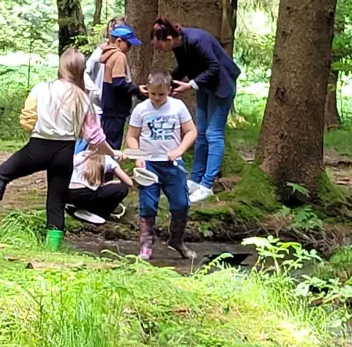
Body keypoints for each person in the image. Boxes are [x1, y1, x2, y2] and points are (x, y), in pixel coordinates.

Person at [0, 48, 117, 250]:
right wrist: (112, 153)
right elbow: (95, 137)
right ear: (81, 70)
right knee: (56, 200)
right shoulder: (83, 98)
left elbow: (26, 118)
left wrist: (36, 127)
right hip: (65, 152)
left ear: (61, 67)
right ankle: (51, 249)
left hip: (39, 146)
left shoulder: (42, 88)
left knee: (1, 175)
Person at [150, 18, 241, 203]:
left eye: (158, 45)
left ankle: (207, 185)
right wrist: (166, 82)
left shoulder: (197, 40)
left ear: (168, 38)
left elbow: (214, 67)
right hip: (205, 87)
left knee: (213, 134)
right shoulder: (179, 45)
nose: (158, 49)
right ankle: (195, 180)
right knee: (199, 134)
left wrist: (190, 85)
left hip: (221, 86)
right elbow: (184, 67)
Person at [127, 71, 199, 260]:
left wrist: (180, 150)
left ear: (169, 91)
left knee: (181, 204)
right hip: (149, 164)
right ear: (147, 90)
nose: (157, 99)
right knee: (148, 205)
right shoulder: (141, 109)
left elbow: (191, 131)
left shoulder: (178, 107)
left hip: (172, 164)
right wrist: (137, 156)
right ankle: (146, 243)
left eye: (161, 95)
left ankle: (177, 240)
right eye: (153, 94)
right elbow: (132, 137)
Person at [92, 24, 148, 147]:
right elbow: (118, 84)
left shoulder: (109, 55)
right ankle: (109, 165)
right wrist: (137, 89)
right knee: (113, 144)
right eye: (128, 44)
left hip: (109, 107)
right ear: (119, 41)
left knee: (107, 141)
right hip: (116, 109)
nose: (130, 47)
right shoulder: (119, 56)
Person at [67, 147, 134, 223]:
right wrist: (114, 182)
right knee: (122, 188)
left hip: (67, 193)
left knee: (90, 191)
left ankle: (73, 207)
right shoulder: (107, 159)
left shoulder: (81, 154)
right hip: (85, 195)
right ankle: (98, 214)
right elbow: (129, 183)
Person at [84, 17, 128, 106]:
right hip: (98, 99)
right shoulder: (99, 52)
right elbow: (85, 72)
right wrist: (95, 91)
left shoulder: (122, 54)